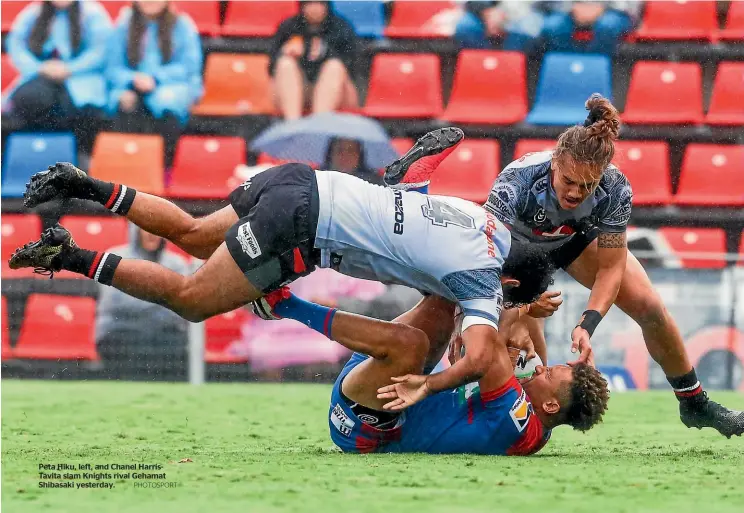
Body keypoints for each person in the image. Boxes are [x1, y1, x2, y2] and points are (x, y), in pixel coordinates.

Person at [12, 129, 553, 413]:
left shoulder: (485, 221)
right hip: (303, 225)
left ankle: (84, 184)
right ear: (505, 284)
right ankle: (68, 255)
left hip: (305, 181)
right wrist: (429, 386)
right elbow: (481, 354)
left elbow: (410, 193)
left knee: (196, 235)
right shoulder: (483, 279)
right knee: (193, 299)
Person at [387, 95, 744, 439]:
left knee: (650, 308)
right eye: (569, 182)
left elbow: (610, 269)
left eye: (587, 186)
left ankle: (693, 402)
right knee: (495, 334)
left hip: (574, 242)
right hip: (512, 256)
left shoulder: (616, 188)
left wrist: (587, 323)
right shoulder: (517, 183)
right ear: (555, 163)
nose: (575, 193)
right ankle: (449, 407)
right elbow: (487, 261)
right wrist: (492, 315)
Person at [257, 289, 609, 455]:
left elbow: (488, 342)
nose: (541, 371)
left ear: (551, 406)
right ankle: (410, 193)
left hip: (368, 425)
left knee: (411, 343)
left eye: (550, 376)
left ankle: (283, 304)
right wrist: (520, 316)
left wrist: (523, 309)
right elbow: (498, 338)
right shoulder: (536, 423)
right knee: (446, 296)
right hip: (397, 387)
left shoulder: (514, 418)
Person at [106, 0, 203, 164]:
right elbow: (113, 68)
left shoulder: (182, 25)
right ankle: (129, 166)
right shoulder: (124, 25)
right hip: (133, 84)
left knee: (167, 102)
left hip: (171, 86)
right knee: (124, 101)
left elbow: (188, 67)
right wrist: (132, 79)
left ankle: (164, 167)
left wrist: (156, 78)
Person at [96, 223, 190, 380]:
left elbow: (182, 303)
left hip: (162, 334)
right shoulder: (115, 258)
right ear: (136, 231)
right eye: (146, 229)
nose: (151, 234)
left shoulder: (177, 263)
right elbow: (115, 303)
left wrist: (138, 295)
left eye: (157, 229)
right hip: (122, 332)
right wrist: (162, 299)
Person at [5, 0, 110, 137]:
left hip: (80, 81)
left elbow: (100, 51)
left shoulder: (93, 12)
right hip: (41, 77)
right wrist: (40, 67)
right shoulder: (34, 12)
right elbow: (16, 45)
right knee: (27, 100)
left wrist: (69, 68)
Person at [269, 1, 360, 120]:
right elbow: (271, 68)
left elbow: (353, 67)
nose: (315, 8)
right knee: (285, 64)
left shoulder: (341, 28)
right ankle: (293, 126)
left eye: (319, 3)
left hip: (337, 92)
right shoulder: (289, 27)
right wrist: (285, 52)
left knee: (334, 66)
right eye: (309, 3)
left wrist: (325, 53)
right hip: (299, 91)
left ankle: (318, 125)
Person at [542, 1, 640, 55]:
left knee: (608, 26)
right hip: (568, 10)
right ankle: (567, 71)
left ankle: (594, 72)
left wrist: (602, 7)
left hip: (614, 11)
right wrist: (571, 6)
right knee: (553, 25)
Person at [454, 1, 545, 53]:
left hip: (527, 10)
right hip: (485, 10)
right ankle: (484, 68)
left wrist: (505, 15)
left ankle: (510, 70)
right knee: (465, 26)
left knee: (530, 29)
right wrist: (487, 11)